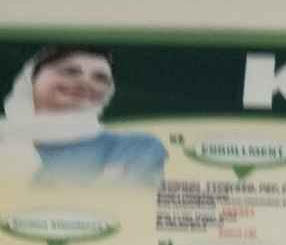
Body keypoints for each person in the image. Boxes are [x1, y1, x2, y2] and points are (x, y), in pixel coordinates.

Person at [0, 46, 166, 186]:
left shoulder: (135, 147)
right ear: (31, 77)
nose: (86, 83)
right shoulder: (6, 139)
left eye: (100, 78)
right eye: (70, 71)